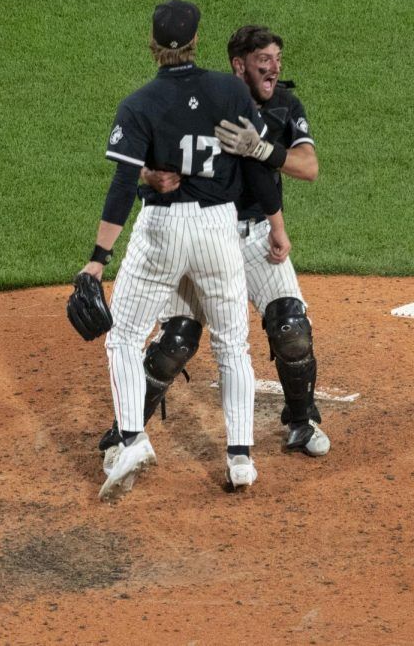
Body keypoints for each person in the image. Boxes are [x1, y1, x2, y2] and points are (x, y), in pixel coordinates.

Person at [80, 0, 291, 502]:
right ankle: (240, 459)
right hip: (220, 229)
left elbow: (122, 184)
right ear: (196, 42)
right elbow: (257, 164)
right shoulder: (230, 91)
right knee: (232, 345)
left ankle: (132, 439)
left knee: (124, 337)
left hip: (163, 228)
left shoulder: (139, 104)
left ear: (152, 46)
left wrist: (98, 258)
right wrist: (276, 225)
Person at [98, 24, 329, 459]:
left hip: (255, 235)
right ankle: (125, 433)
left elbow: (309, 166)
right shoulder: (211, 97)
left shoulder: (284, 106)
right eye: (264, 61)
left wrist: (263, 150)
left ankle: (301, 421)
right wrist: (149, 176)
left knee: (291, 328)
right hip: (205, 236)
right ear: (240, 65)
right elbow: (148, 155)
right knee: (176, 341)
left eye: (278, 60)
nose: (274, 69)